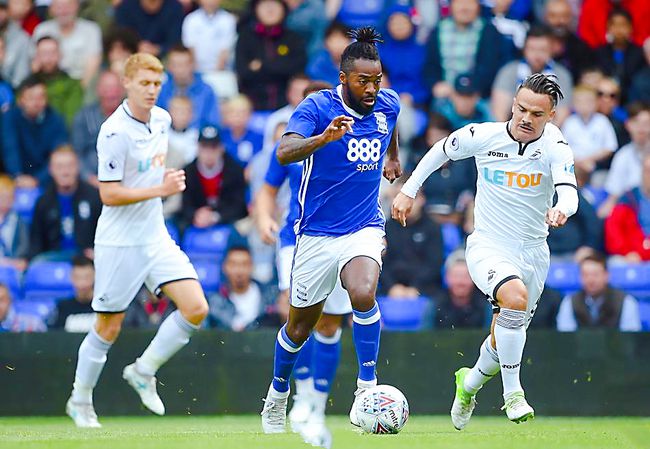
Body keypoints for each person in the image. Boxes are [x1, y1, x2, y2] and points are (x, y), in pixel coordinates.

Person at [393, 73, 578, 427]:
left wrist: (561, 209)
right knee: (513, 298)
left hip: (533, 252)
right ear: (513, 104)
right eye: (521, 108)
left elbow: (569, 191)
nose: (526, 118)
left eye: (537, 114)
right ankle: (513, 394)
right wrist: (408, 190)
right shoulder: (484, 135)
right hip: (488, 244)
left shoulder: (556, 145)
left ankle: (469, 384)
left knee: (503, 335)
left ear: (551, 115)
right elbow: (441, 149)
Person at [260, 27, 402, 435]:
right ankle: (278, 393)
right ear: (343, 78)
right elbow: (283, 152)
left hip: (364, 225)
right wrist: (324, 138)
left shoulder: (387, 103)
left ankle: (366, 387)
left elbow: (392, 123)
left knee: (363, 292)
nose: (372, 88)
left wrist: (393, 158)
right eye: (363, 81)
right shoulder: (317, 107)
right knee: (298, 328)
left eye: (377, 79)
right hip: (315, 234)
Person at [65, 53, 209, 428]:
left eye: (157, 84)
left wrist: (163, 185)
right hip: (119, 241)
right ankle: (80, 400)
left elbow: (151, 172)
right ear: (126, 83)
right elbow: (109, 194)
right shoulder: (114, 132)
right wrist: (161, 189)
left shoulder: (161, 119)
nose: (151, 90)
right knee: (108, 327)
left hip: (154, 234)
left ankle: (144, 370)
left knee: (196, 308)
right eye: (144, 83)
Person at [256, 79, 349, 440]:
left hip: (339, 239)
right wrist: (264, 217)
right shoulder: (290, 146)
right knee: (296, 315)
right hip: (294, 239)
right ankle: (299, 394)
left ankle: (316, 403)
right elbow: (267, 190)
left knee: (329, 323)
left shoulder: (347, 143)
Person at [29, 145, 102, 261]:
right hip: (52, 260)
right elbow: (36, 242)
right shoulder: (43, 202)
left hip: (86, 261)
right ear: (50, 169)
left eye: (70, 166)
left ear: (78, 167)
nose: (65, 172)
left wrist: (98, 252)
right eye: (59, 167)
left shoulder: (94, 196)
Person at [556, 252, 641, 331]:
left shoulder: (625, 301)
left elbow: (630, 337)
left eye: (595, 274)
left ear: (606, 275)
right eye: (585, 275)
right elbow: (566, 337)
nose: (590, 280)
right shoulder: (570, 302)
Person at [604, 153, 650, 262]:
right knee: (616, 263)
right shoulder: (628, 198)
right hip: (630, 255)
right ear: (642, 172)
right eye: (648, 171)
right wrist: (627, 252)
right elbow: (613, 230)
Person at [208, 245, 265, 331]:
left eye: (244, 264)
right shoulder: (214, 303)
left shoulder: (267, 296)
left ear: (252, 266)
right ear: (224, 267)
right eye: (233, 264)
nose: (239, 271)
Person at [48, 255, 96, 332]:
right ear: (71, 278)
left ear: (94, 277)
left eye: (87, 277)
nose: (82, 283)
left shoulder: (103, 307)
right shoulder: (63, 307)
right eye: (78, 277)